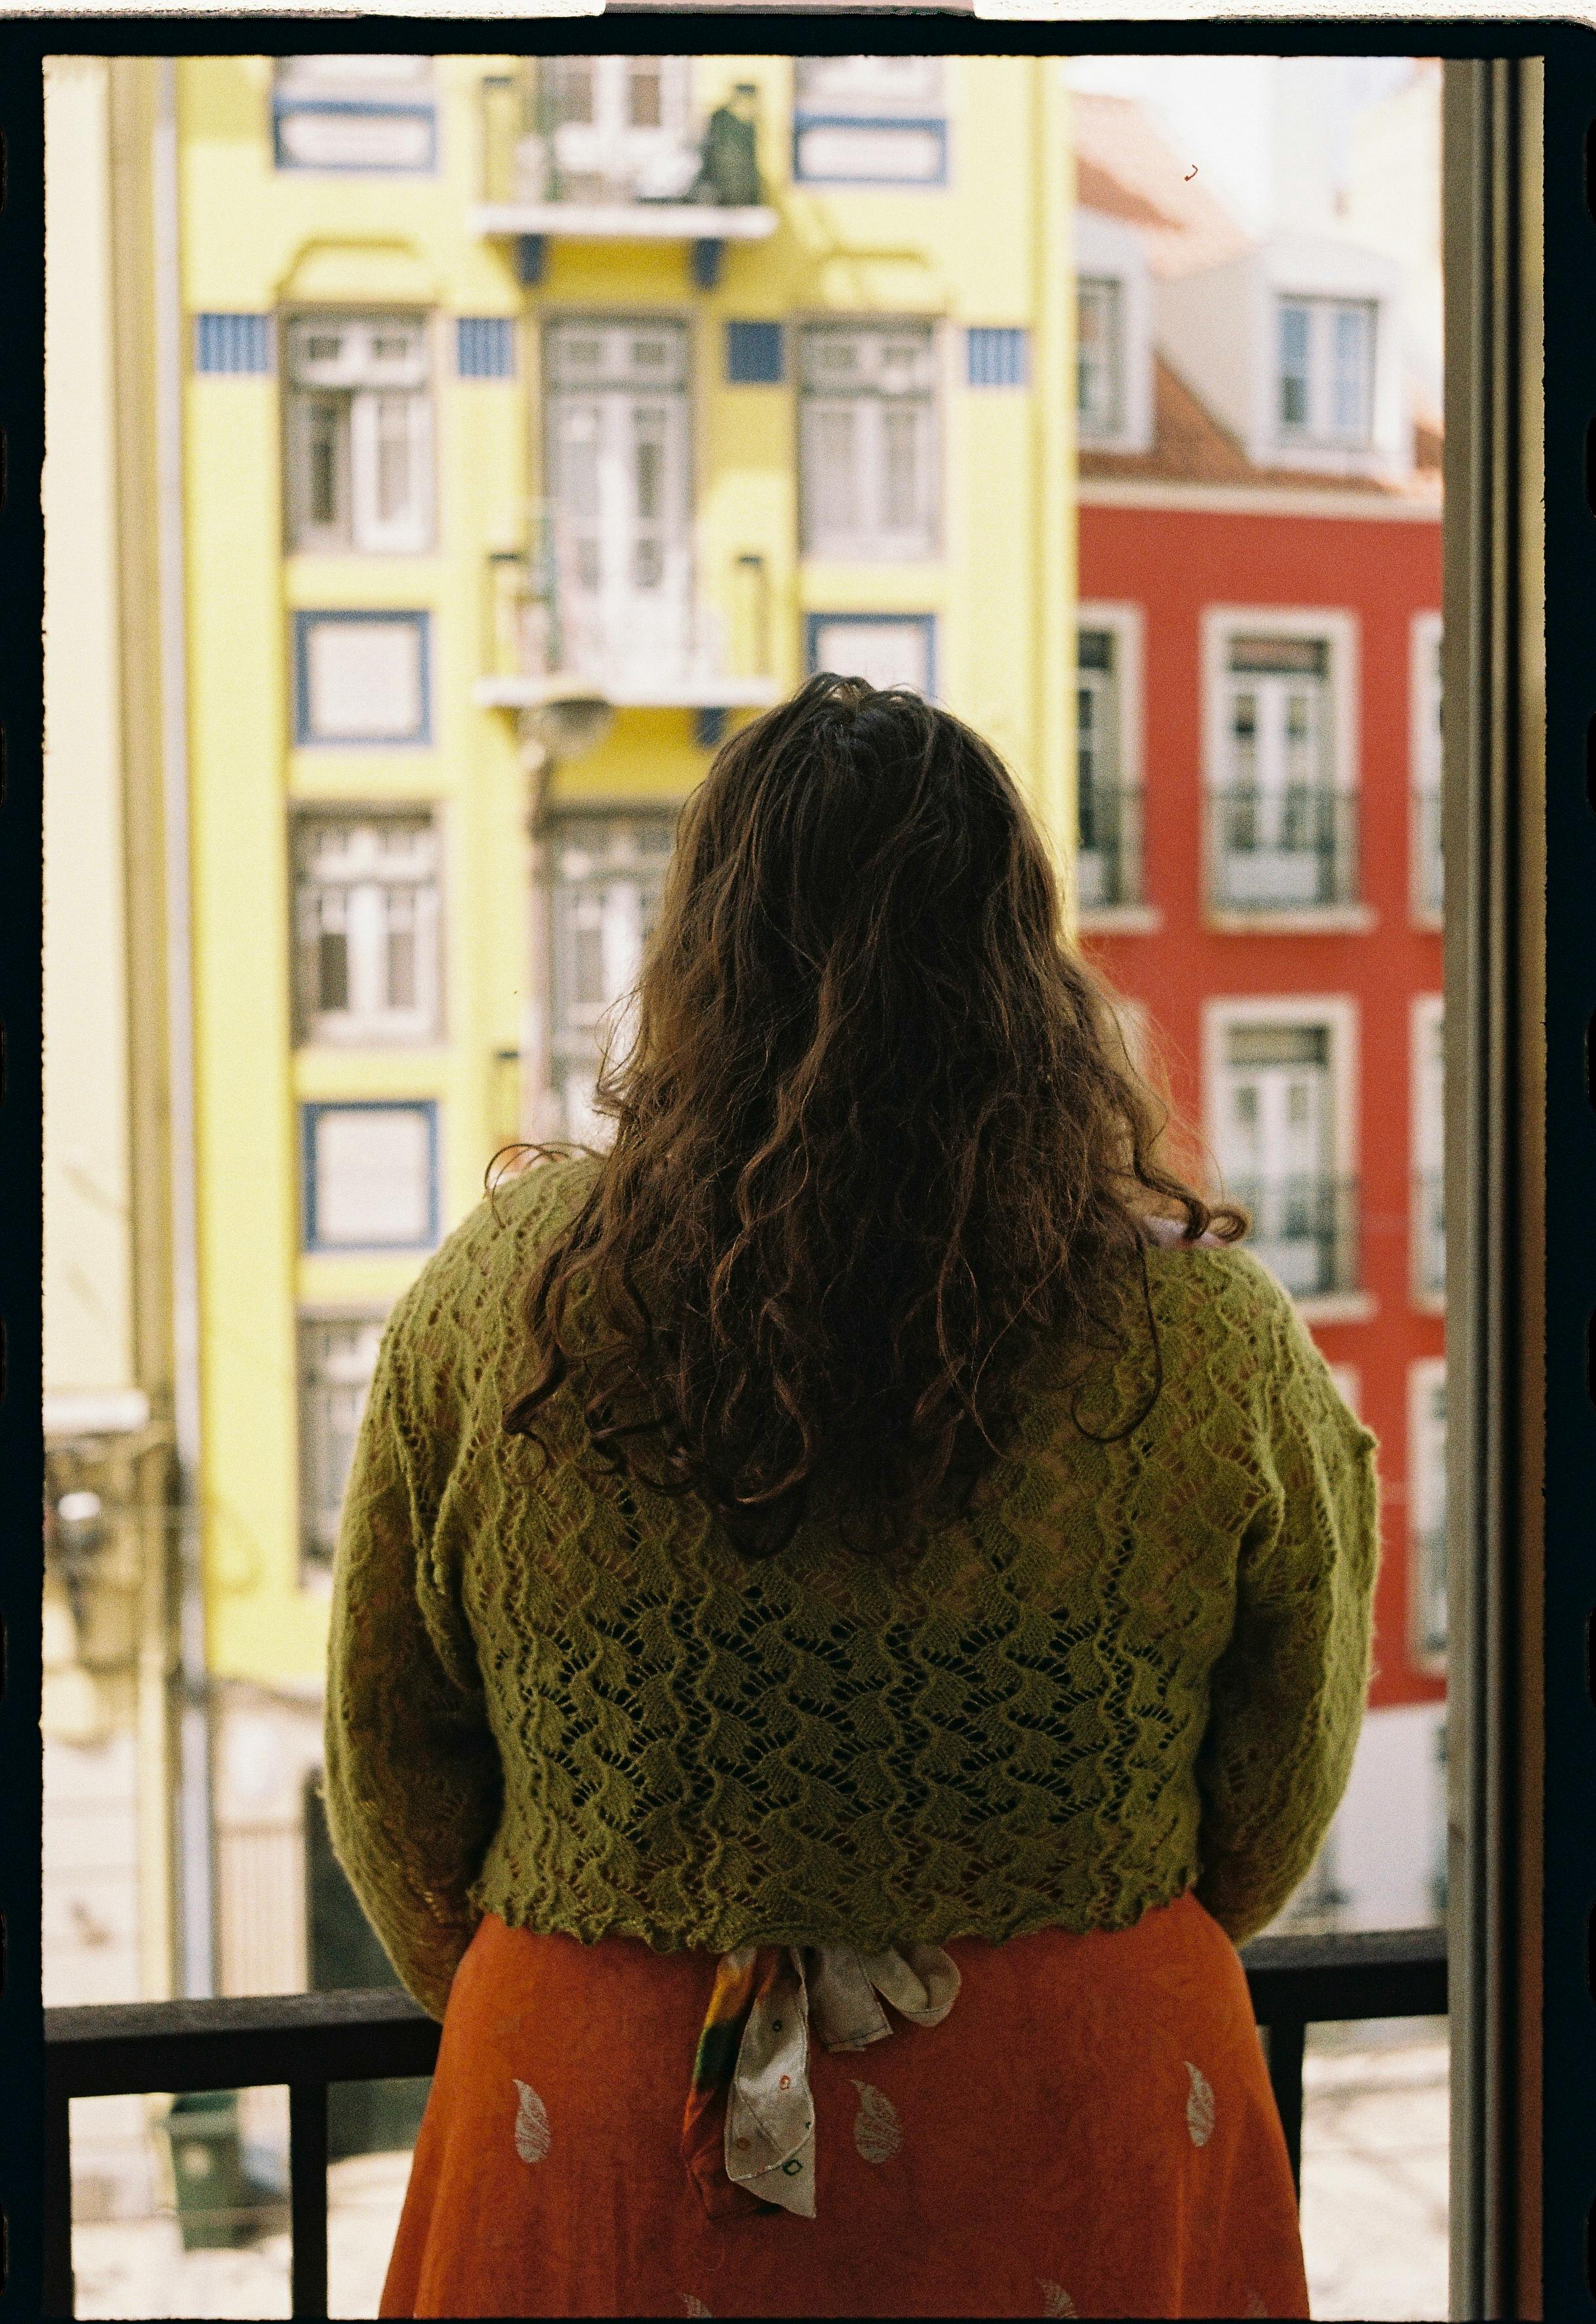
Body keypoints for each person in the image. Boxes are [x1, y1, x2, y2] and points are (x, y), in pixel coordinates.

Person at [324, 674, 1379, 2321]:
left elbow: (390, 1767)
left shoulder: (489, 1303)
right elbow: (1275, 1785)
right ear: (1020, 965)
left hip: (599, 2120)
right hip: (1074, 2116)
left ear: (697, 953)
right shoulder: (1205, 1336)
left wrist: (603, 1937)